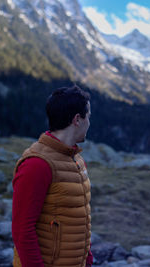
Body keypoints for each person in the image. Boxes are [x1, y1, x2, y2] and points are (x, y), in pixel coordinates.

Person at [12, 85, 93, 267]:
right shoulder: (37, 164)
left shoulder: (76, 159)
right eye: (88, 116)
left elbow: (78, 218)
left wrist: (87, 259)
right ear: (77, 119)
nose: (89, 123)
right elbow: (22, 231)